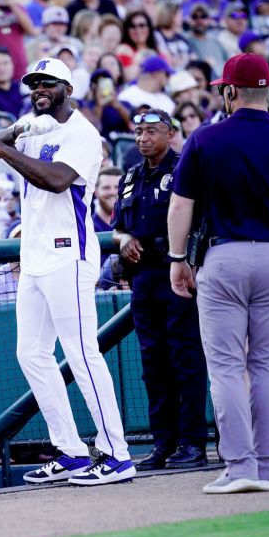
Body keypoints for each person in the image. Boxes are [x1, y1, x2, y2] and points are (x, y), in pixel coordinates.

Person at [166, 53, 269, 494]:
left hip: (224, 259)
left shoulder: (204, 138)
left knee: (225, 368)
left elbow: (181, 205)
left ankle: (239, 468)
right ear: (268, 92)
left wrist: (177, 259)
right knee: (268, 370)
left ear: (230, 91)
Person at [0, 57, 134, 486]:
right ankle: (71, 450)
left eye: (47, 83)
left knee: (82, 353)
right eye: (33, 84)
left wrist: (4, 147)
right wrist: (8, 134)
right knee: (30, 353)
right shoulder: (34, 126)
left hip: (71, 255)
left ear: (68, 88)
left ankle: (118, 453)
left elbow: (57, 180)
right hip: (35, 257)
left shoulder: (83, 133)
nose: (38, 89)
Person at [112, 110, 208, 471]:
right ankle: (163, 444)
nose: (142, 138)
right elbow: (117, 227)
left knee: (185, 358)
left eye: (151, 131)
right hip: (143, 276)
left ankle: (194, 444)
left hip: (177, 272)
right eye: (138, 132)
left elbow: (200, 220)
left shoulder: (185, 168)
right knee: (153, 364)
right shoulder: (131, 177)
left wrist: (189, 263)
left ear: (171, 134)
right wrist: (123, 241)